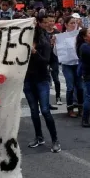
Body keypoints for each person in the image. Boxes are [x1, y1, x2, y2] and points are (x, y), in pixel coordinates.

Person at [24, 16, 61, 153]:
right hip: (28, 80)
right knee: (34, 111)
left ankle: (55, 140)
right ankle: (39, 137)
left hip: (42, 80)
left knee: (45, 110)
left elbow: (45, 61)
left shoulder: (44, 43)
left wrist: (34, 52)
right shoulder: (23, 43)